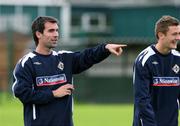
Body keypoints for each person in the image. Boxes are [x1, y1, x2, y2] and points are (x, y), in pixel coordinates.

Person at [12, 16, 126, 126]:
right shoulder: (27, 63)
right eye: (51, 31)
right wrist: (53, 94)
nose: (56, 34)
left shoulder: (64, 58)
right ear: (38, 34)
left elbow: (87, 56)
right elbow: (22, 93)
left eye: (57, 30)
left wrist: (105, 48)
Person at [132, 15, 180, 126]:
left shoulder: (178, 58)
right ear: (161, 35)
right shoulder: (145, 60)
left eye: (179, 33)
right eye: (174, 34)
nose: (178, 38)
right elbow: (142, 100)